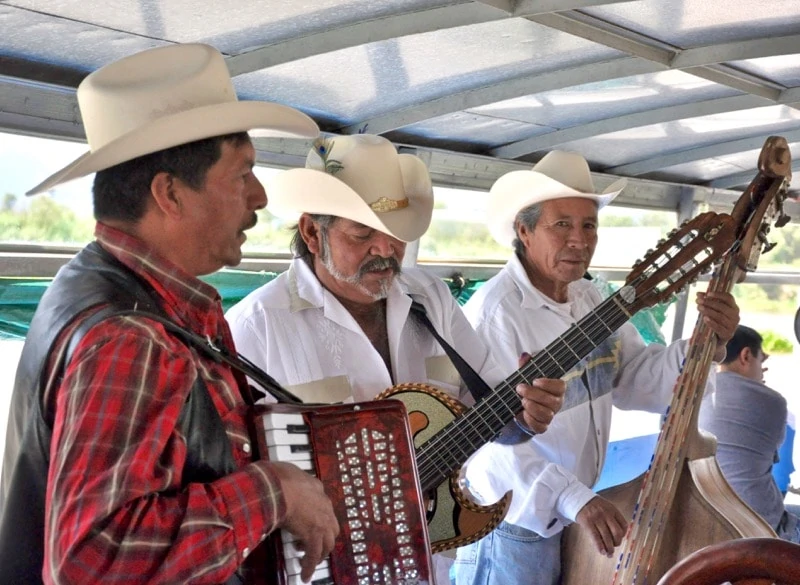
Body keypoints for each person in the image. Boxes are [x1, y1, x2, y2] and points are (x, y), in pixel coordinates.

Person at [0, 43, 340, 585]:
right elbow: (92, 561)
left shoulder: (99, 286)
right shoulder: (130, 336)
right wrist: (274, 491)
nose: (259, 195)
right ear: (170, 194)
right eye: (242, 173)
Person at [225, 133, 567, 584]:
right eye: (362, 234)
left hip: (424, 566)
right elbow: (233, 483)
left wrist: (524, 415)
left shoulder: (432, 298)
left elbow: (490, 406)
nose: (385, 249)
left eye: (396, 232)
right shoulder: (255, 327)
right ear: (312, 232)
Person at [453, 150, 740, 585]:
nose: (579, 240)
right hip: (513, 522)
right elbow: (486, 443)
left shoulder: (592, 300)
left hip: (570, 511)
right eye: (562, 225)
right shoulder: (496, 314)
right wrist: (574, 498)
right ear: (524, 231)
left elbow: (637, 379)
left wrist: (707, 344)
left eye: (589, 226)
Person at [698, 325, 800, 543]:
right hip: (760, 527)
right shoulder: (773, 402)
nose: (762, 371)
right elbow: (772, 459)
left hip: (702, 519)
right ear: (746, 356)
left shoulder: (691, 393)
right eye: (761, 362)